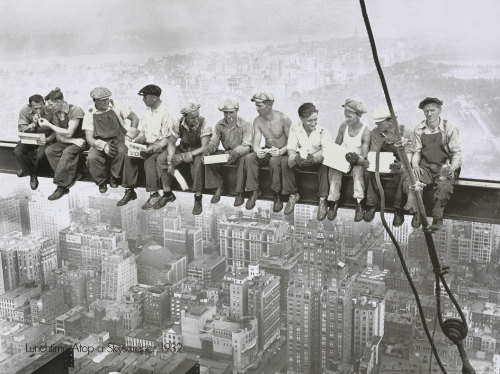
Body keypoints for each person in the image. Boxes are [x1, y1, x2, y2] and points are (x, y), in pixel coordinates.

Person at [405, 97, 461, 231]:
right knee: (413, 181)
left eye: (432, 110)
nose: (429, 114)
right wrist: (415, 165)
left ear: (439, 110)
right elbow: (417, 151)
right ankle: (417, 212)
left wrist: (452, 168)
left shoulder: (449, 128)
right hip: (426, 166)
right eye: (426, 111)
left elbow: (456, 153)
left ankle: (437, 218)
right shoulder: (419, 129)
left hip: (444, 166)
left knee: (443, 187)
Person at [118, 84, 175, 209]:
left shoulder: (166, 113)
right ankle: (130, 190)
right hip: (147, 145)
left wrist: (154, 148)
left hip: (160, 147)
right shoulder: (147, 112)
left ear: (154, 98)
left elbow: (168, 138)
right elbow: (144, 132)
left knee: (149, 161)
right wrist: (137, 142)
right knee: (129, 156)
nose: (143, 100)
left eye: (145, 97)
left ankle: (154, 194)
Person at [157, 102, 212, 215]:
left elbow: (204, 147)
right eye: (192, 118)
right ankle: (167, 193)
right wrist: (170, 160)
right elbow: (172, 143)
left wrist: (183, 157)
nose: (196, 120)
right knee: (162, 159)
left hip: (197, 151)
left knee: (197, 165)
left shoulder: (205, 123)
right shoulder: (178, 123)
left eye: (197, 116)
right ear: (185, 116)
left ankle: (198, 197)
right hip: (183, 147)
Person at [83, 87, 140, 194]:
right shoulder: (89, 113)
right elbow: (89, 138)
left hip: (118, 138)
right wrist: (103, 146)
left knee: (123, 152)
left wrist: (129, 136)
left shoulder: (116, 105)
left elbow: (135, 118)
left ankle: (114, 177)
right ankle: (101, 182)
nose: (106, 102)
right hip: (100, 141)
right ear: (95, 101)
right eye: (102, 100)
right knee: (92, 157)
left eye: (107, 99)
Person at [363, 106, 413, 226]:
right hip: (381, 163)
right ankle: (372, 204)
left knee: (404, 173)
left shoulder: (407, 133)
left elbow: (408, 158)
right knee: (369, 170)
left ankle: (398, 208)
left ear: (391, 121)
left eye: (380, 123)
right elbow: (374, 152)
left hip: (399, 164)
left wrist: (400, 166)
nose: (376, 125)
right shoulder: (375, 133)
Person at [245, 92, 292, 212]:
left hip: (282, 151)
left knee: (274, 161)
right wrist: (258, 151)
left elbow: (292, 142)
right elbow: (256, 142)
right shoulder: (258, 121)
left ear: (269, 106)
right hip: (268, 149)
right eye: (256, 105)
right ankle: (254, 191)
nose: (257, 108)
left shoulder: (284, 119)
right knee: (250, 158)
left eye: (259, 106)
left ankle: (277, 195)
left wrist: (281, 151)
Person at [40, 88, 88, 200]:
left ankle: (62, 186)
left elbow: (69, 132)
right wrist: (72, 141)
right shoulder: (56, 113)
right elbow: (59, 136)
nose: (50, 107)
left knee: (67, 152)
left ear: (59, 102)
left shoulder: (75, 110)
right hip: (71, 141)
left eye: (51, 105)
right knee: (50, 150)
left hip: (82, 141)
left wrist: (49, 125)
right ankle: (74, 175)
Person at [327, 98, 370, 221]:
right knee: (334, 170)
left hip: (356, 161)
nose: (346, 119)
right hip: (343, 158)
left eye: (349, 116)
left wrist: (357, 158)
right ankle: (333, 201)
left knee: (358, 173)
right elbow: (337, 144)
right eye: (345, 116)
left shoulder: (365, 131)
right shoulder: (343, 126)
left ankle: (360, 202)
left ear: (358, 116)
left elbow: (365, 154)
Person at [203, 99, 253, 206]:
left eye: (231, 112)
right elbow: (214, 142)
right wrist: (208, 149)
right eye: (226, 112)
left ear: (237, 111)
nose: (228, 115)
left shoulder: (246, 125)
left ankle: (239, 193)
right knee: (209, 159)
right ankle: (219, 186)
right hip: (227, 153)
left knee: (243, 161)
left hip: (241, 153)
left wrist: (235, 153)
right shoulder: (219, 125)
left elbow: (247, 145)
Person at [286, 103, 331, 219]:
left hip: (316, 161)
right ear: (301, 119)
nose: (313, 123)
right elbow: (291, 147)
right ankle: (293, 194)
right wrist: (295, 157)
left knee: (325, 165)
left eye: (315, 120)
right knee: (287, 162)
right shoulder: (295, 127)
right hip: (301, 159)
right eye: (310, 120)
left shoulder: (322, 131)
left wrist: (314, 157)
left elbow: (327, 150)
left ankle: (322, 200)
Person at [14, 94, 55, 190]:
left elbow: (55, 130)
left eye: (40, 107)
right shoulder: (24, 111)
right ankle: (28, 171)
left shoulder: (51, 111)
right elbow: (22, 129)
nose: (39, 111)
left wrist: (47, 139)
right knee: (18, 151)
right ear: (30, 106)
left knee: (41, 155)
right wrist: (33, 124)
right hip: (29, 138)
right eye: (35, 108)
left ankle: (31, 173)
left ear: (44, 104)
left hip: (45, 139)